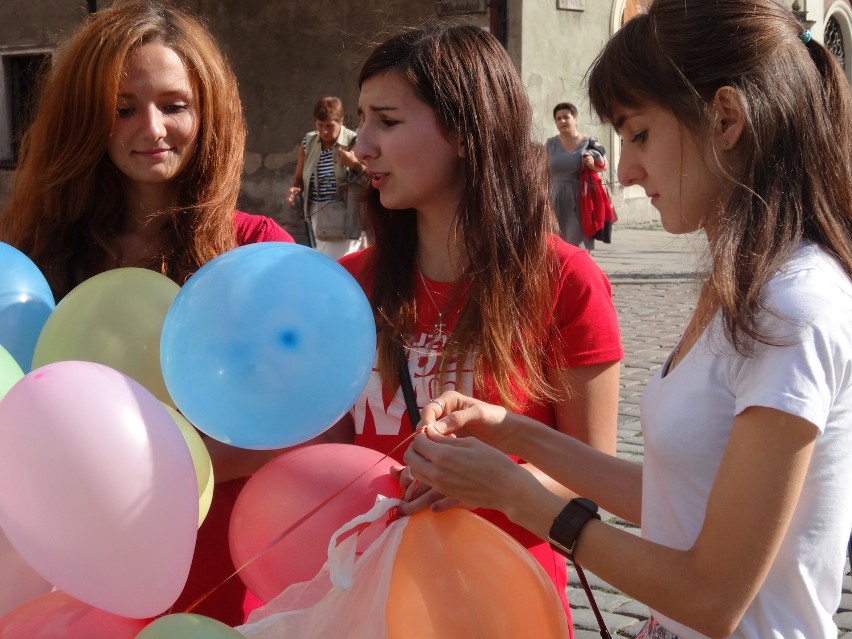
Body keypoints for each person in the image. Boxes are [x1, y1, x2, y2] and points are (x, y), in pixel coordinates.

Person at [403, 2, 852, 638]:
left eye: (639, 134)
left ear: (725, 118)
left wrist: (518, 497)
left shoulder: (791, 303)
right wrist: (515, 433)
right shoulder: (745, 285)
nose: (626, 169)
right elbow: (677, 497)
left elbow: (711, 597)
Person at [0, 0, 294, 626]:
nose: (151, 128)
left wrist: (141, 489)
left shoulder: (257, 251)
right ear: (84, 118)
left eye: (174, 104)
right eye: (123, 107)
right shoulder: (30, 251)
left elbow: (290, 422)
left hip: (212, 567)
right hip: (53, 576)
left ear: (207, 110)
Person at [323, 25, 623, 631]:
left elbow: (596, 477)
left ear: (464, 130)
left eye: (387, 120)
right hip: (369, 605)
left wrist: (498, 484)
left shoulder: (565, 281)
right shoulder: (345, 286)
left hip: (507, 604)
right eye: (362, 121)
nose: (364, 147)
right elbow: (322, 459)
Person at [286, 97, 366, 259]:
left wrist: (354, 165)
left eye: (330, 126)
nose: (324, 132)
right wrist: (295, 188)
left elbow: (371, 180)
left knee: (342, 266)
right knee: (323, 263)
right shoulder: (308, 143)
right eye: (319, 126)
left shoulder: (353, 141)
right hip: (318, 217)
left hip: (345, 217)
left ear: (341, 121)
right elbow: (299, 178)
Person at [546, 102, 609, 251]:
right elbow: (544, 171)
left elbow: (604, 164)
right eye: (558, 118)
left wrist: (592, 162)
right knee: (557, 243)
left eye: (566, 117)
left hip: (581, 199)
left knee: (576, 244)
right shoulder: (551, 144)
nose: (562, 121)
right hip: (555, 198)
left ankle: (581, 271)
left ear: (575, 119)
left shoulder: (590, 142)